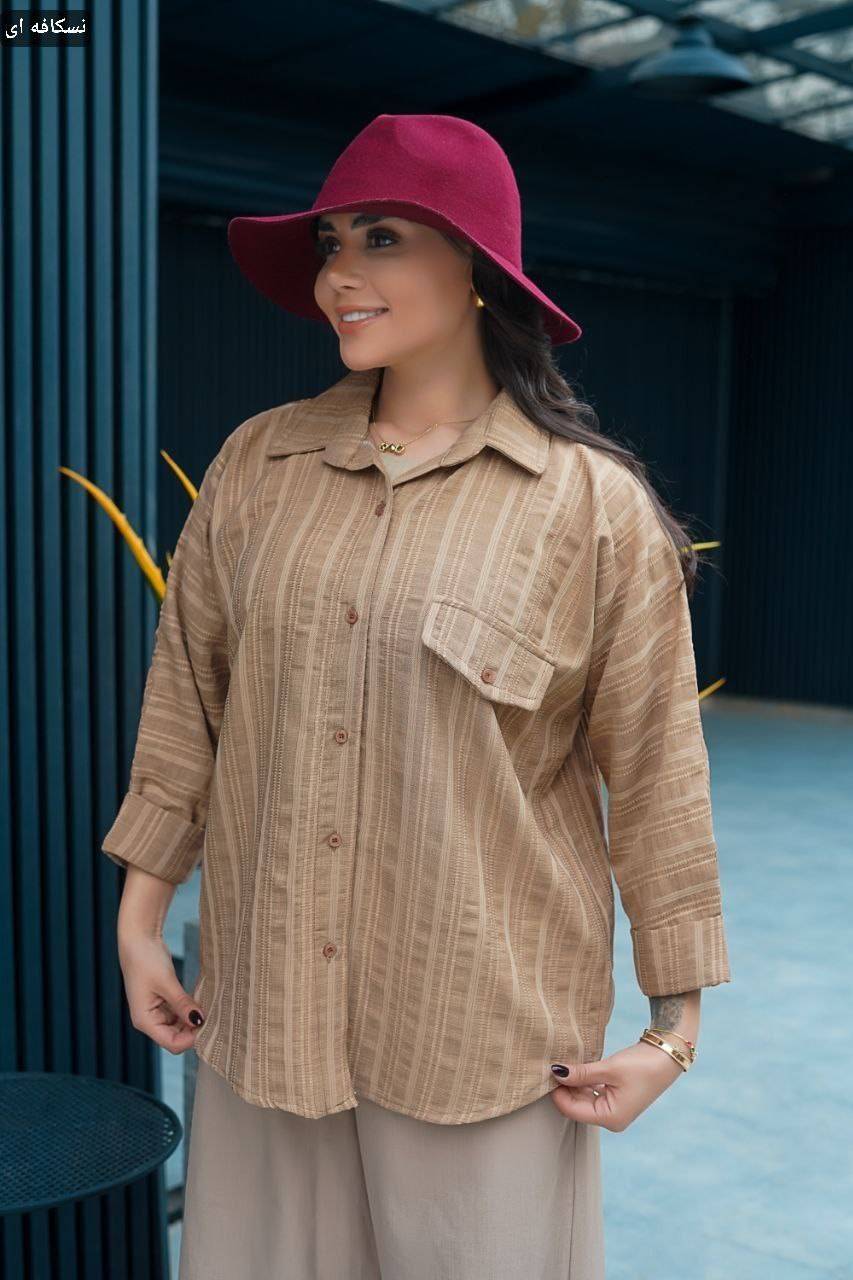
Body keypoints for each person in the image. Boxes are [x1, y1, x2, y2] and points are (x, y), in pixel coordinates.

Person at [102, 114, 731, 1279]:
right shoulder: (260, 467)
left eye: (382, 238)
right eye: (332, 242)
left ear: (478, 269)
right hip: (265, 1014)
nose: (338, 273)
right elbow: (187, 702)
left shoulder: (587, 508)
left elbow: (657, 779)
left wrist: (674, 1030)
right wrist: (141, 922)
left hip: (477, 1032)